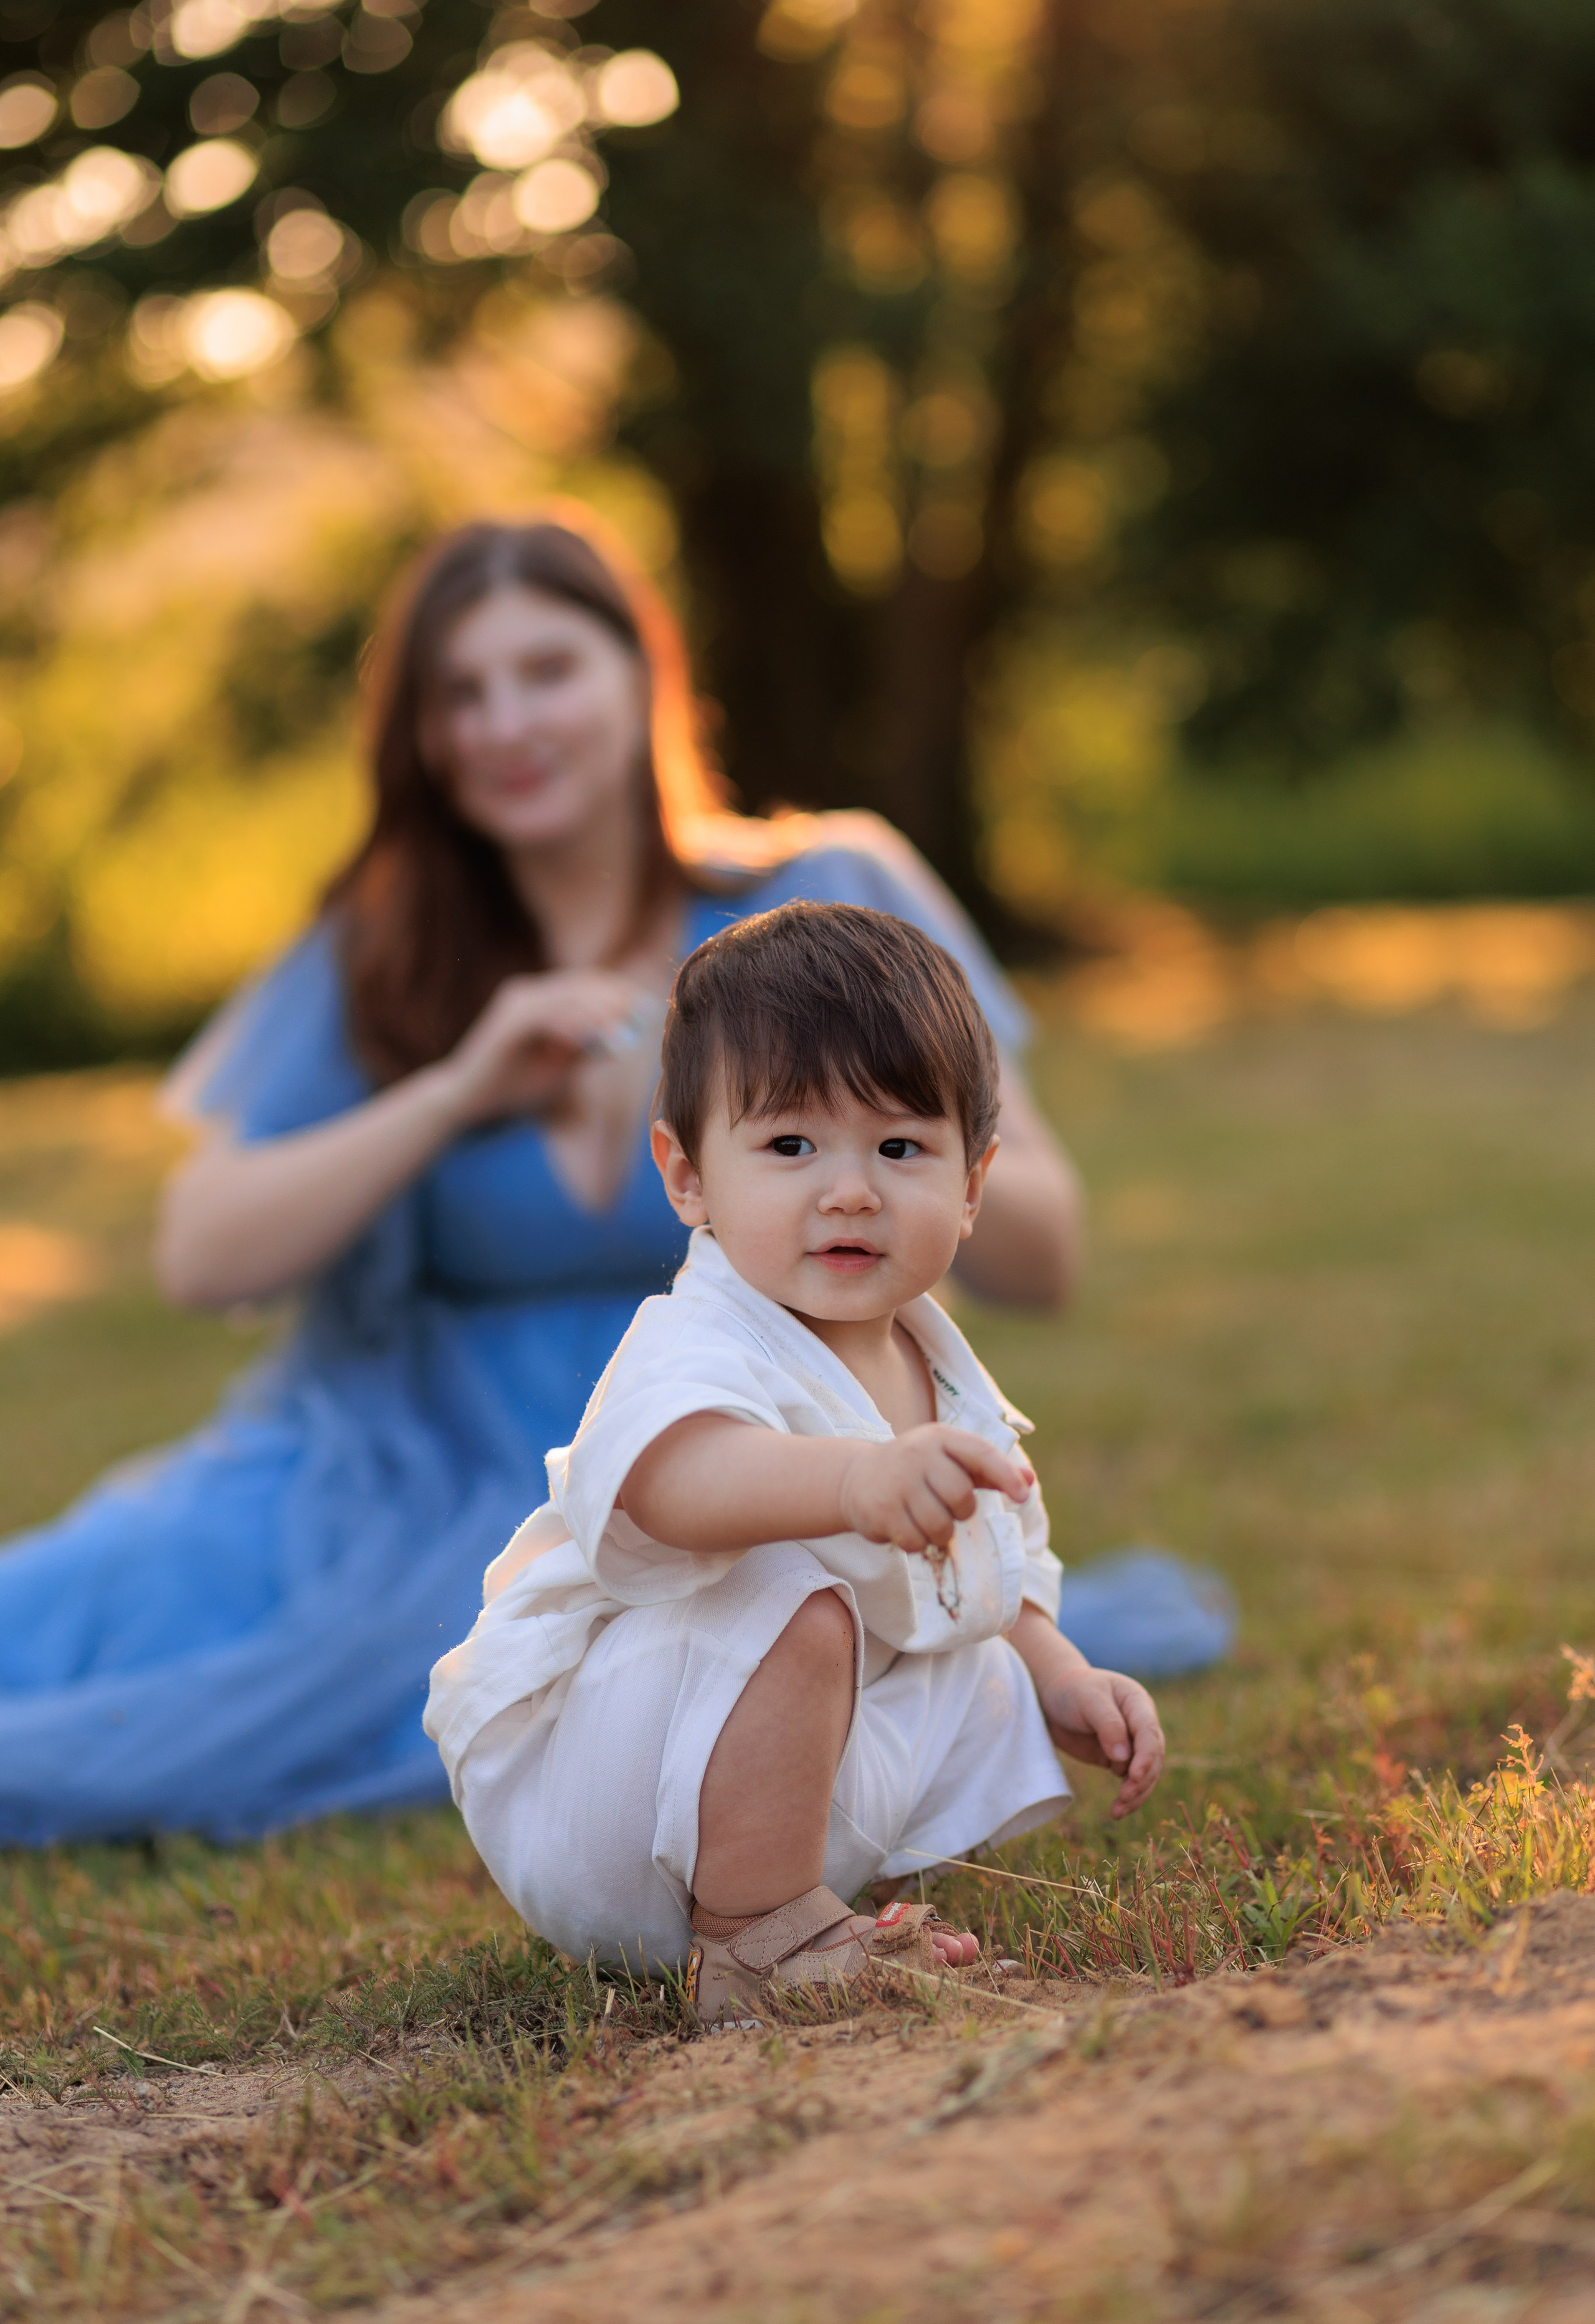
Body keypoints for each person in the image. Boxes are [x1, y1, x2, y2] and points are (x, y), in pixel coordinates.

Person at [0, 507, 1085, 1847]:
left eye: (547, 670)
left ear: (643, 673)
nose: (503, 724)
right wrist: (456, 1091)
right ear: (418, 735)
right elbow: (200, 1255)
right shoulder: (383, 951)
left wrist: (847, 1138)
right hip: (385, 1468)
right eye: (459, 693)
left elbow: (1044, 1253)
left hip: (746, 1462)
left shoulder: (828, 892)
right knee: (69, 1630)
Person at [427, 904, 1164, 2018]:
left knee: (956, 1642)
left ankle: (818, 1904)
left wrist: (1060, 1675)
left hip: (734, 1785)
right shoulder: (701, 1335)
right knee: (793, 1585)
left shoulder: (942, 1373)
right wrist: (855, 1483)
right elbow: (673, 1488)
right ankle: (754, 1942)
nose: (851, 1190)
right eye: (789, 1147)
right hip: (610, 1789)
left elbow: (987, 1565)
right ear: (688, 1177)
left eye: (901, 1148)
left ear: (972, 1184)